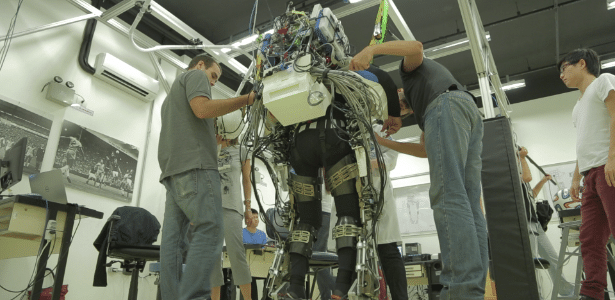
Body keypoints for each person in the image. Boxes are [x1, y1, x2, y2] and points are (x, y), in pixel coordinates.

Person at [352, 40, 488, 300]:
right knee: (469, 204)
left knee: (448, 196)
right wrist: (383, 142)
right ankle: (472, 290)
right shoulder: (425, 106)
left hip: (448, 104)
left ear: (400, 90)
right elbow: (424, 151)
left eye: (401, 106)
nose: (401, 110)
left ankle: (459, 290)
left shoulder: (410, 73)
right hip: (469, 111)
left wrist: (370, 50)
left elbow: (415, 47)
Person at [284, 64, 401, 299]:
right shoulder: (351, 71)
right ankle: (341, 287)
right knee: (348, 216)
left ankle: (295, 287)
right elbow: (385, 80)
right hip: (335, 135)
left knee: (304, 220)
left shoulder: (299, 72)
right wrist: (395, 113)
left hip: (300, 141)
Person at [157, 53, 255, 300]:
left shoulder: (169, 100)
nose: (212, 83)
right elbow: (202, 110)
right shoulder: (195, 75)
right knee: (210, 230)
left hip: (172, 174)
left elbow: (190, 124)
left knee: (172, 246)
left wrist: (215, 142)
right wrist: (246, 99)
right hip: (196, 169)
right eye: (213, 76)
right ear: (201, 65)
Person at [558, 48, 615, 300]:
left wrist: (613, 158)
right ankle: (593, 294)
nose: (561, 75)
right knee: (590, 238)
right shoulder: (577, 107)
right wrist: (575, 176)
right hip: (591, 177)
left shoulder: (604, 81)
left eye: (564, 68)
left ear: (582, 64)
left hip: (608, 168)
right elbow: (583, 142)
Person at [518, 147, 575, 296]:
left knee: (552, 257)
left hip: (534, 223)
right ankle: (536, 295)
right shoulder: (513, 175)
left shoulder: (521, 179)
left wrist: (543, 181)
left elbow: (532, 194)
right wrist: (523, 158)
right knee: (532, 262)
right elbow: (527, 178)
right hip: (524, 223)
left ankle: (564, 289)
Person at [210, 136, 255, 300]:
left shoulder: (242, 150)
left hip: (232, 207)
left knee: (237, 255)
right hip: (211, 208)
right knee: (213, 259)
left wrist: (248, 207)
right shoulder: (210, 147)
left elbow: (246, 179)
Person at [373, 128, 408, 300]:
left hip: (379, 196)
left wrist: (365, 163)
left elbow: (390, 159)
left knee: (388, 250)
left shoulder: (380, 131)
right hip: (351, 199)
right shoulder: (342, 132)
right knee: (355, 256)